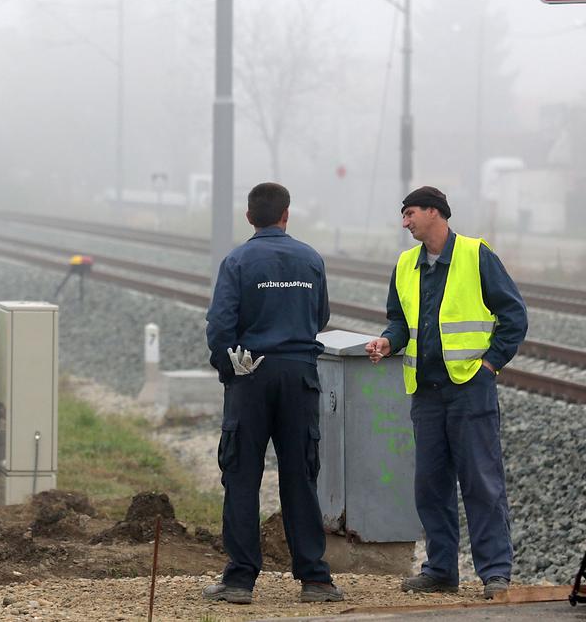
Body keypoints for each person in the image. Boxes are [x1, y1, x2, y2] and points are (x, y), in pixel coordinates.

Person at [365, 186, 528, 600]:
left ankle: (495, 573)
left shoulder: (476, 255)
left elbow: (514, 315)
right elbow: (399, 322)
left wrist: (490, 365)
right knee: (431, 487)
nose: (405, 222)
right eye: (403, 215)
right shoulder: (405, 265)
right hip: (426, 393)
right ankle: (441, 570)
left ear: (435, 213)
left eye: (410, 213)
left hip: (469, 390)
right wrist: (388, 341)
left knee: (481, 483)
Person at [202, 182, 343, 605]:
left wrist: (229, 367)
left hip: (251, 375)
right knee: (301, 475)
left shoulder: (237, 260)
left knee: (242, 475)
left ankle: (240, 580)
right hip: (300, 376)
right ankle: (316, 580)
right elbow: (320, 316)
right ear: (286, 215)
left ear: (249, 217)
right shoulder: (311, 258)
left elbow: (220, 326)